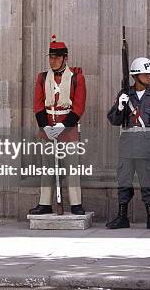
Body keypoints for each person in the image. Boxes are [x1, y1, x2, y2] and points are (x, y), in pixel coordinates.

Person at [106, 57, 150, 230]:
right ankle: (122, 217)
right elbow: (114, 120)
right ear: (135, 75)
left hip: (147, 143)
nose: (149, 76)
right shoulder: (124, 94)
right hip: (127, 143)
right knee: (123, 180)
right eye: (145, 73)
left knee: (147, 181)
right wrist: (120, 107)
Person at [29, 35, 87, 216]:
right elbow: (38, 104)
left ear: (65, 58)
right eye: (50, 57)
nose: (52, 61)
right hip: (47, 128)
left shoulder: (77, 78)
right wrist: (45, 126)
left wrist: (64, 126)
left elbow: (79, 106)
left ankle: (76, 203)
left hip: (67, 129)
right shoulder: (42, 77)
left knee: (72, 169)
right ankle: (45, 203)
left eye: (56, 57)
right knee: (47, 168)